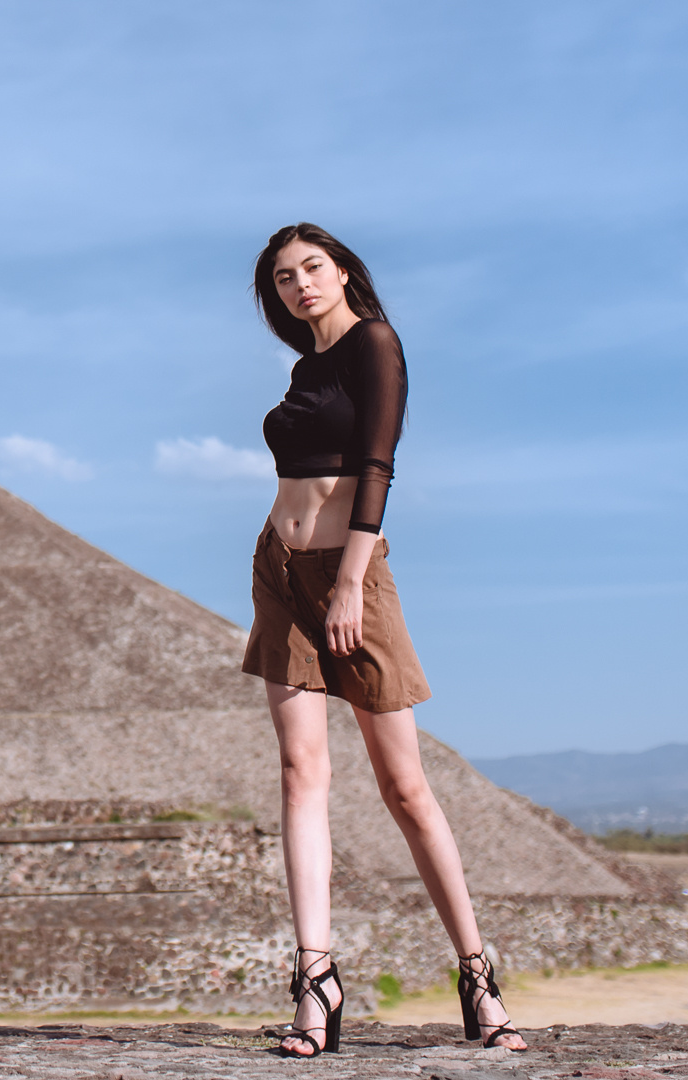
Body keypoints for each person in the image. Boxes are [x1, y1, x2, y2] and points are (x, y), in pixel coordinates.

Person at [244, 224, 523, 1058]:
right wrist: (306, 574)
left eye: (312, 269)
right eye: (284, 279)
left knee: (404, 787)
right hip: (279, 569)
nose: (300, 286)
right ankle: (316, 980)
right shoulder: (301, 370)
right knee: (301, 772)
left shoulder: (375, 343)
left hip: (349, 575)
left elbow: (377, 464)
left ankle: (476, 976)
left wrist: (349, 581)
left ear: (342, 271)